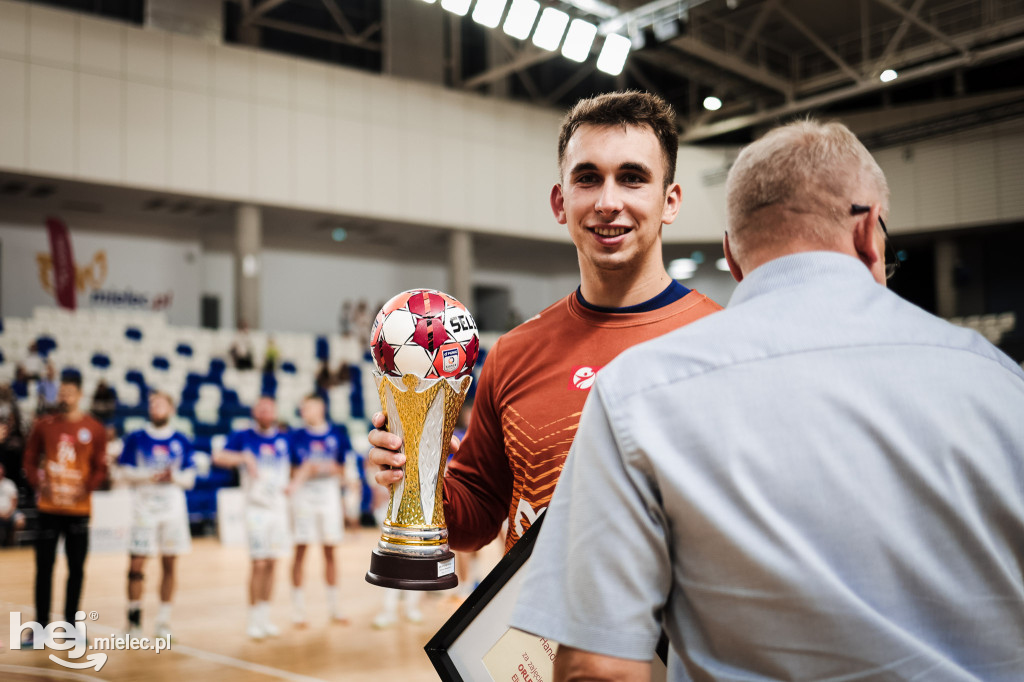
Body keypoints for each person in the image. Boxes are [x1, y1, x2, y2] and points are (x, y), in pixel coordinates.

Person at [510, 119, 1024, 681]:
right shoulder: (1001, 382)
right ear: (869, 234)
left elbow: (600, 669)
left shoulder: (641, 392)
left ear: (732, 255)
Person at [368, 91, 722, 553]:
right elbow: (476, 521)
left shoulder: (725, 343)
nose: (608, 201)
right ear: (560, 202)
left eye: (632, 178)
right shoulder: (515, 352)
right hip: (534, 624)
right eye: (588, 179)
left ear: (670, 201)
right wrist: (416, 474)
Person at [22, 372, 107, 646]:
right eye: (61, 392)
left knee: (77, 570)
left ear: (80, 395)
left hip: (78, 510)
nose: (64, 396)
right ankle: (40, 628)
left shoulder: (94, 428)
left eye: (69, 392)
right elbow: (29, 459)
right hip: (48, 508)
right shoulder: (44, 426)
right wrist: (38, 482)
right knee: (44, 568)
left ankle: (71, 628)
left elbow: (100, 467)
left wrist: (87, 487)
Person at [213, 396, 292, 640]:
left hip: (278, 509)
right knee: (258, 562)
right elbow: (219, 457)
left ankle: (265, 616)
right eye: (261, 408)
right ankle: (253, 617)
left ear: (276, 412)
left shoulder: (285, 439)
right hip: (256, 510)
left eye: (269, 407)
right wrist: (244, 458)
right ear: (254, 412)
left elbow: (300, 464)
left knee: (272, 563)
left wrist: (295, 484)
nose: (265, 411)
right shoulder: (243, 436)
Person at [117, 391, 195, 639]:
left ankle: (163, 621)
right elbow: (124, 473)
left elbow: (190, 480)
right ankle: (133, 622)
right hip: (144, 510)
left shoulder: (182, 440)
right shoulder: (136, 437)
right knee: (136, 564)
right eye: (152, 403)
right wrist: (149, 476)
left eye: (160, 403)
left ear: (171, 409)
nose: (155, 407)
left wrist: (174, 478)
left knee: (170, 564)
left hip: (172, 510)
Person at [287, 394, 352, 626]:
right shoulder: (295, 436)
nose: (304, 411)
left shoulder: (337, 434)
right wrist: (306, 471)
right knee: (300, 549)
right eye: (302, 408)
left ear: (321, 407)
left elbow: (345, 470)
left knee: (330, 551)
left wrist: (329, 469)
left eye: (308, 407)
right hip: (303, 497)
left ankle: (335, 608)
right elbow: (291, 472)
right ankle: (298, 611)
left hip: (329, 496)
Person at [0, 462, 26, 546]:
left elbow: (14, 501)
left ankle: (12, 541)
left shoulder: (9, 483)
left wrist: (9, 513)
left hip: (10, 512)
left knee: (20, 521)